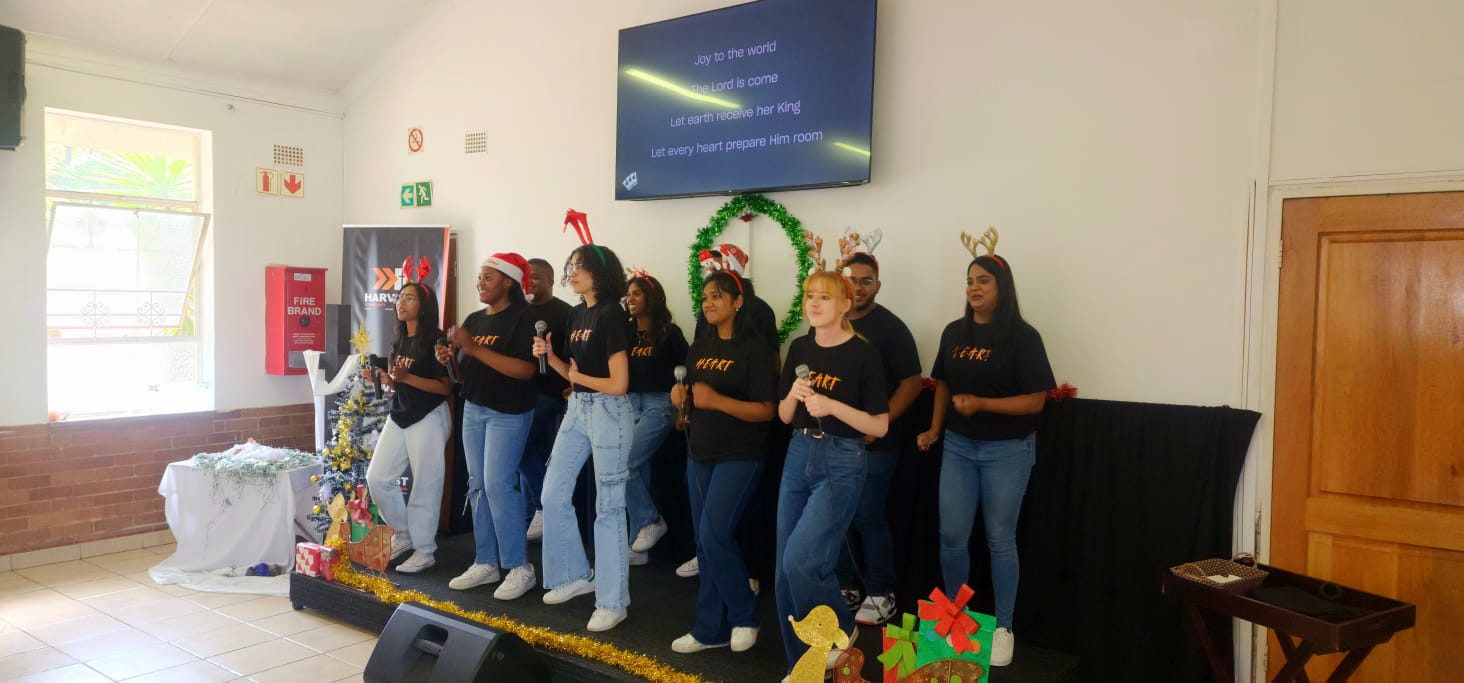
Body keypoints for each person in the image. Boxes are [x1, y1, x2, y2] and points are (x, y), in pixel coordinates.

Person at [916, 252, 1054, 667]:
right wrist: (935, 429)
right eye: (969, 280)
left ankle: (1004, 627)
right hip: (959, 446)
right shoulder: (954, 332)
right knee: (951, 536)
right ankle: (954, 618)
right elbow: (943, 384)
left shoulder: (1023, 337)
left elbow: (1036, 401)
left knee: (999, 539)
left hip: (1008, 450)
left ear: (1002, 287)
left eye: (983, 281)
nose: (974, 288)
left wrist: (983, 404)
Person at [774, 270, 889, 676]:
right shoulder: (800, 347)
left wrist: (833, 407)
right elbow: (783, 415)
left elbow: (879, 426)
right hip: (799, 451)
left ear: (845, 305)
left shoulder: (863, 354)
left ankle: (839, 629)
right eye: (810, 295)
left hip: (842, 458)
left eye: (825, 297)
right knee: (784, 571)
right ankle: (805, 667)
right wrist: (793, 395)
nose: (815, 303)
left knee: (801, 560)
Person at [669, 270, 777, 655]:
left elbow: (767, 410)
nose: (709, 303)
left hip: (740, 454)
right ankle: (709, 628)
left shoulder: (756, 349)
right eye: (705, 297)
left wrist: (717, 401)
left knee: (715, 535)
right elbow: (690, 403)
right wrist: (680, 401)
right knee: (704, 542)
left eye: (717, 296)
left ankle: (745, 616)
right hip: (700, 452)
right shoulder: (699, 347)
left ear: (738, 301)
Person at [532, 244, 635, 632]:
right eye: (570, 266)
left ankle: (613, 601)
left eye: (579, 266)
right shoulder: (577, 313)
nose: (572, 272)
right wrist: (551, 357)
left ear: (600, 272)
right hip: (579, 407)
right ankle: (574, 574)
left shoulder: (611, 314)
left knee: (609, 506)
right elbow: (573, 373)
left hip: (609, 411)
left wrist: (576, 377)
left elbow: (619, 384)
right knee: (552, 492)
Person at [437, 253, 540, 600]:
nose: (480, 282)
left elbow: (526, 370)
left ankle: (519, 567)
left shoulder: (524, 318)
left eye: (488, 277)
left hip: (508, 413)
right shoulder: (474, 320)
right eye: (479, 277)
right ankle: (485, 562)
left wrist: (473, 347)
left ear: (508, 282)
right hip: (474, 409)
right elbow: (462, 375)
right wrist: (450, 361)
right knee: (478, 486)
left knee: (498, 486)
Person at [836, 253, 923, 626]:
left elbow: (912, 383)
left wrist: (878, 423)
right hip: (835, 443)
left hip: (876, 445)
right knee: (839, 516)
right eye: (852, 279)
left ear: (877, 285)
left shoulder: (891, 328)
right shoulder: (830, 322)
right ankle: (847, 586)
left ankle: (881, 591)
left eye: (866, 280)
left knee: (868, 516)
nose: (858, 287)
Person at [364, 281, 452, 574]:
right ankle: (404, 534)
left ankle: (425, 550)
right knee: (377, 478)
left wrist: (406, 378)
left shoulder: (437, 340)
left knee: (426, 484)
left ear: (424, 307)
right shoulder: (399, 340)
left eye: (410, 298)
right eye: (400, 297)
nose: (401, 303)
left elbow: (445, 388)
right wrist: (385, 380)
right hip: (400, 414)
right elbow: (399, 383)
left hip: (428, 416)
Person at [623, 271, 688, 559]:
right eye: (628, 294)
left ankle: (651, 521)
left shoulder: (669, 333)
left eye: (637, 293)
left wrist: (682, 410)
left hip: (659, 405)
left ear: (651, 297)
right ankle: (638, 548)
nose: (630, 299)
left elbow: (684, 373)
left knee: (624, 464)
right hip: (629, 403)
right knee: (638, 470)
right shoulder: (625, 332)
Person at [519, 258, 573, 541]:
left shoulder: (566, 313)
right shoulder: (517, 311)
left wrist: (572, 384)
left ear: (552, 281)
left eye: (536, 277)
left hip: (550, 391)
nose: (530, 282)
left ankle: (545, 506)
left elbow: (576, 355)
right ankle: (532, 515)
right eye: (526, 277)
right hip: (518, 391)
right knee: (529, 452)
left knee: (517, 446)